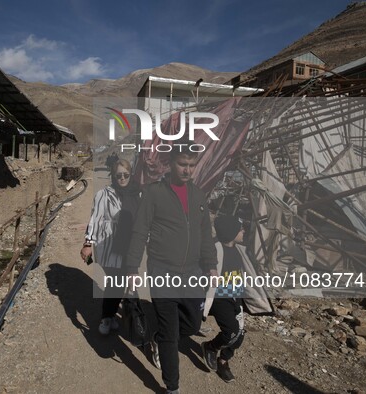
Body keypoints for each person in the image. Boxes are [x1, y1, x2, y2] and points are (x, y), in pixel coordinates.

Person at [126, 146, 218, 394]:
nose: (187, 170)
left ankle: (156, 337)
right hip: (162, 271)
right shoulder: (154, 193)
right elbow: (139, 231)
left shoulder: (199, 196)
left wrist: (211, 265)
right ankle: (172, 386)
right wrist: (132, 267)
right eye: (182, 164)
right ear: (171, 164)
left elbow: (205, 235)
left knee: (190, 325)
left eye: (191, 165)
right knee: (170, 331)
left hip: (192, 273)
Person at [201, 215, 273, 382]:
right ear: (230, 232)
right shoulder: (215, 249)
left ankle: (223, 360)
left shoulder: (241, 250)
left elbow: (248, 271)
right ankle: (210, 347)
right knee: (231, 331)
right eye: (240, 229)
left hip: (236, 297)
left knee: (239, 335)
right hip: (220, 298)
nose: (243, 230)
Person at [81, 158, 141, 335]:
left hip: (130, 247)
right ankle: (106, 318)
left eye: (125, 175)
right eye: (118, 175)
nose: (122, 178)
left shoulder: (137, 194)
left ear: (130, 175)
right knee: (115, 283)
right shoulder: (104, 194)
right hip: (109, 245)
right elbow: (95, 219)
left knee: (122, 283)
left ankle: (113, 315)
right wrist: (88, 244)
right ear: (113, 176)